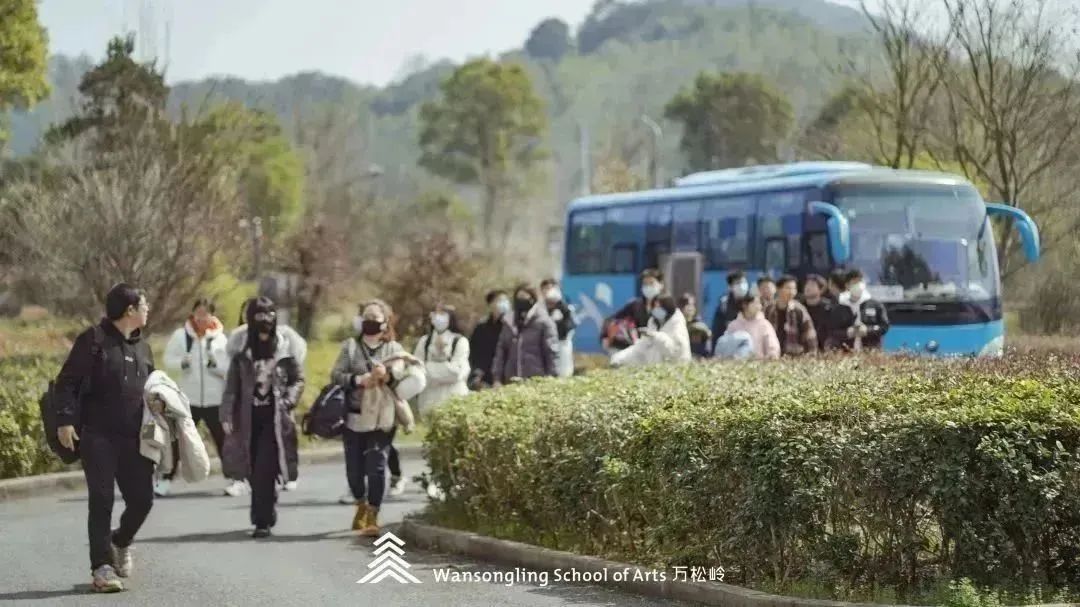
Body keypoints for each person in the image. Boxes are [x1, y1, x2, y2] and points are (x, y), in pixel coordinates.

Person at [55, 283, 155, 592]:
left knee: (142, 500)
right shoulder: (93, 340)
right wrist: (65, 421)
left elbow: (154, 389)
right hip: (98, 435)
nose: (148, 309)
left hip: (134, 438)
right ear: (130, 310)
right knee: (101, 499)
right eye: (144, 304)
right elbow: (67, 382)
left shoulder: (143, 347)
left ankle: (120, 541)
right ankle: (102, 568)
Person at [331, 299, 424, 535]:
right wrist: (358, 380)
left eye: (375, 318)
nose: (370, 321)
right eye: (366, 317)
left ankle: (373, 513)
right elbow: (336, 375)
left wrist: (387, 374)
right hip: (354, 416)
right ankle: (360, 504)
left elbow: (402, 374)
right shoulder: (350, 347)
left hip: (383, 416)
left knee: (377, 464)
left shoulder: (394, 349)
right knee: (354, 470)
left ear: (385, 322)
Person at [221, 297, 305, 539]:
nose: (265, 321)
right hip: (248, 418)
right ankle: (267, 505)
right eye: (259, 316)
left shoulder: (285, 349)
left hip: (275, 419)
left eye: (269, 315)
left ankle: (261, 521)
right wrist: (226, 414)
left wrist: (288, 401)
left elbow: (298, 379)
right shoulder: (241, 353)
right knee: (252, 468)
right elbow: (231, 387)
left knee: (264, 468)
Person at [158, 298, 229, 497]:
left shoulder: (221, 339)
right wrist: (182, 363)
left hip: (215, 399)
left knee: (223, 440)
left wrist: (216, 367)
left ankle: (236, 478)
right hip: (188, 399)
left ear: (212, 315)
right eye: (198, 313)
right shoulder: (181, 336)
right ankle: (165, 480)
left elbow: (229, 367)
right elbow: (168, 360)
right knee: (178, 440)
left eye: (205, 314)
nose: (201, 318)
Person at [493, 284, 559, 386]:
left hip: (536, 381)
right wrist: (497, 378)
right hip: (511, 381)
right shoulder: (509, 322)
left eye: (524, 298)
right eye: (519, 298)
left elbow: (551, 352)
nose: (521, 301)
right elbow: (501, 352)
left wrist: (552, 377)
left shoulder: (544, 322)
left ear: (533, 299)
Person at [414, 303, 470, 413]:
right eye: (436, 313)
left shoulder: (460, 341)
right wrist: (443, 370)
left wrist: (428, 368)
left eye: (442, 314)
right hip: (428, 400)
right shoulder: (424, 341)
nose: (438, 317)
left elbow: (456, 372)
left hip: (454, 399)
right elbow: (417, 370)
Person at [610, 294, 692, 367]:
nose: (656, 309)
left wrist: (655, 336)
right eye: (654, 306)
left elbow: (675, 351)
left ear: (667, 307)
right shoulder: (653, 322)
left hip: (676, 370)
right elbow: (641, 348)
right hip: (656, 369)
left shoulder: (677, 323)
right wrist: (619, 358)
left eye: (659, 307)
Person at [602, 269, 664, 351]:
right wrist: (605, 336)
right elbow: (611, 319)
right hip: (638, 348)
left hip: (660, 348)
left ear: (661, 285)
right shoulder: (636, 305)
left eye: (651, 283)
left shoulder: (666, 305)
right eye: (645, 284)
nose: (648, 287)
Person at [830, 269, 890, 352]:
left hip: (871, 353)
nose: (858, 285)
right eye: (855, 282)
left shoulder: (875, 305)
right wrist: (847, 333)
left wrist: (868, 330)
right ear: (847, 285)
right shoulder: (840, 307)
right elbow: (832, 331)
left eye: (860, 282)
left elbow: (884, 326)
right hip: (845, 353)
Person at [765, 275, 818, 357]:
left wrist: (811, 353)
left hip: (794, 356)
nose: (792, 292)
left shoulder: (799, 309)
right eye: (788, 288)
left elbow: (809, 333)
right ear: (778, 289)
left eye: (794, 289)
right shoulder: (769, 309)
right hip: (772, 356)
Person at [468, 290, 510, 390]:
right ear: (491, 304)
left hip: (507, 378)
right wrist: (476, 375)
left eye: (506, 300)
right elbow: (474, 353)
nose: (504, 303)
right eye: (500, 300)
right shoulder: (481, 328)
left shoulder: (511, 327)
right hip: (485, 379)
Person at [723, 294, 781, 360]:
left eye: (759, 303)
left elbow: (772, 345)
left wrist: (772, 355)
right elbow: (726, 347)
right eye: (756, 303)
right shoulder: (733, 326)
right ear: (744, 305)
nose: (759, 306)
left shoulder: (764, 324)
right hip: (737, 364)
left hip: (759, 364)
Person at [540, 278, 577, 378]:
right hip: (544, 345)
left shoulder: (565, 306)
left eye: (551, 288)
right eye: (546, 288)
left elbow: (570, 324)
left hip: (562, 343)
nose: (549, 291)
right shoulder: (539, 307)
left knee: (564, 373)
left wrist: (560, 304)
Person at [711, 271, 748, 351]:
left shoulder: (752, 301)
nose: (742, 286)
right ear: (730, 287)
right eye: (738, 283)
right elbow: (717, 330)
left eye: (744, 282)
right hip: (730, 346)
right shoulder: (724, 304)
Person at [801, 274, 833, 352]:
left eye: (812, 285)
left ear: (821, 290)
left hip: (825, 349)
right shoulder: (800, 307)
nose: (808, 287)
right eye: (806, 284)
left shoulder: (829, 308)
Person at [678, 293, 713, 359]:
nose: (691, 308)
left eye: (693, 305)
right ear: (681, 307)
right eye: (688, 305)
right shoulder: (677, 323)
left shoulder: (699, 325)